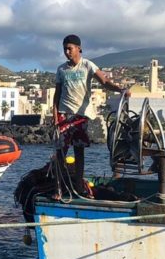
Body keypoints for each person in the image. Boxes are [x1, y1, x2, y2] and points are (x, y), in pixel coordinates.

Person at [53, 33, 128, 194]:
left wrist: (120, 89)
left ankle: (79, 187)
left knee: (79, 152)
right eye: (64, 49)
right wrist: (55, 118)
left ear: (78, 48)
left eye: (70, 48)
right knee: (60, 154)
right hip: (64, 115)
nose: (67, 52)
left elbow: (105, 82)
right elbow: (56, 95)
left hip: (81, 116)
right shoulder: (61, 70)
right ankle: (58, 189)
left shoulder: (87, 65)